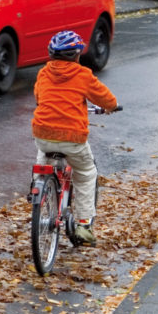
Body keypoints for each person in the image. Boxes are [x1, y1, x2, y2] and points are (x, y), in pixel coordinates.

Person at [32, 30, 118, 246]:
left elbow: (38, 96)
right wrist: (112, 107)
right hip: (72, 137)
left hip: (43, 133)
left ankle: (39, 188)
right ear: (76, 55)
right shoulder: (83, 75)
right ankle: (83, 224)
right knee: (87, 173)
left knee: (44, 153)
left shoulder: (43, 73)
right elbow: (106, 98)